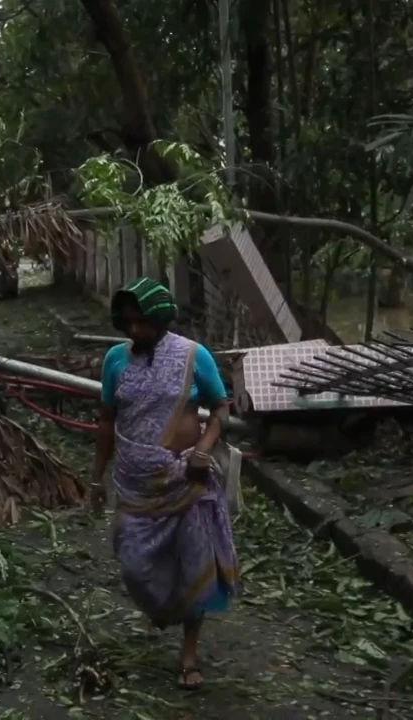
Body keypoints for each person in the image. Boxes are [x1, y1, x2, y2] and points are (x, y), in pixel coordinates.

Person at [91, 277, 239, 692]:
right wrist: (95, 476)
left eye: (143, 323)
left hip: (187, 483)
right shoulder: (114, 361)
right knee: (136, 567)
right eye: (128, 323)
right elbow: (106, 420)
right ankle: (164, 608)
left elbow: (222, 407)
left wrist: (203, 450)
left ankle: (189, 654)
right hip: (135, 487)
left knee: (194, 566)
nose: (135, 331)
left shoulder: (194, 356)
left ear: (161, 321)